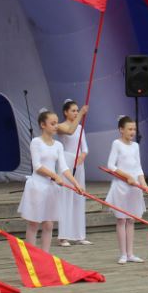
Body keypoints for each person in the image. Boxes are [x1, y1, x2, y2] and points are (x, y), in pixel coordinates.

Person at [18, 110, 81, 254]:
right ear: (42, 125)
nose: (55, 126)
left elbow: (64, 168)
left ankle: (45, 257)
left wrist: (75, 183)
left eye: (56, 123)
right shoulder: (36, 142)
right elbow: (37, 166)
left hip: (51, 189)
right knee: (34, 223)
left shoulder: (58, 145)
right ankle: (31, 256)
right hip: (37, 187)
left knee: (48, 224)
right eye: (52, 123)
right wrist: (54, 175)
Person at [105, 116, 148, 264]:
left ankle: (130, 253)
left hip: (134, 187)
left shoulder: (136, 146)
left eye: (134, 129)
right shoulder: (116, 144)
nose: (132, 131)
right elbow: (111, 165)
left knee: (131, 220)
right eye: (130, 129)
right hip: (121, 186)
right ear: (121, 130)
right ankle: (123, 254)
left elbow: (138, 167)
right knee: (121, 219)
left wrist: (144, 184)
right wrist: (127, 177)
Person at [57, 99, 90, 246]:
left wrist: (82, 156)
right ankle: (63, 236)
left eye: (77, 110)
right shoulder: (60, 126)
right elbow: (70, 131)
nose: (76, 113)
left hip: (78, 163)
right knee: (66, 197)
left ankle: (79, 235)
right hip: (66, 162)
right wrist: (82, 114)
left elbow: (85, 148)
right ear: (65, 112)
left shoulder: (80, 128)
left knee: (78, 197)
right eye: (73, 110)